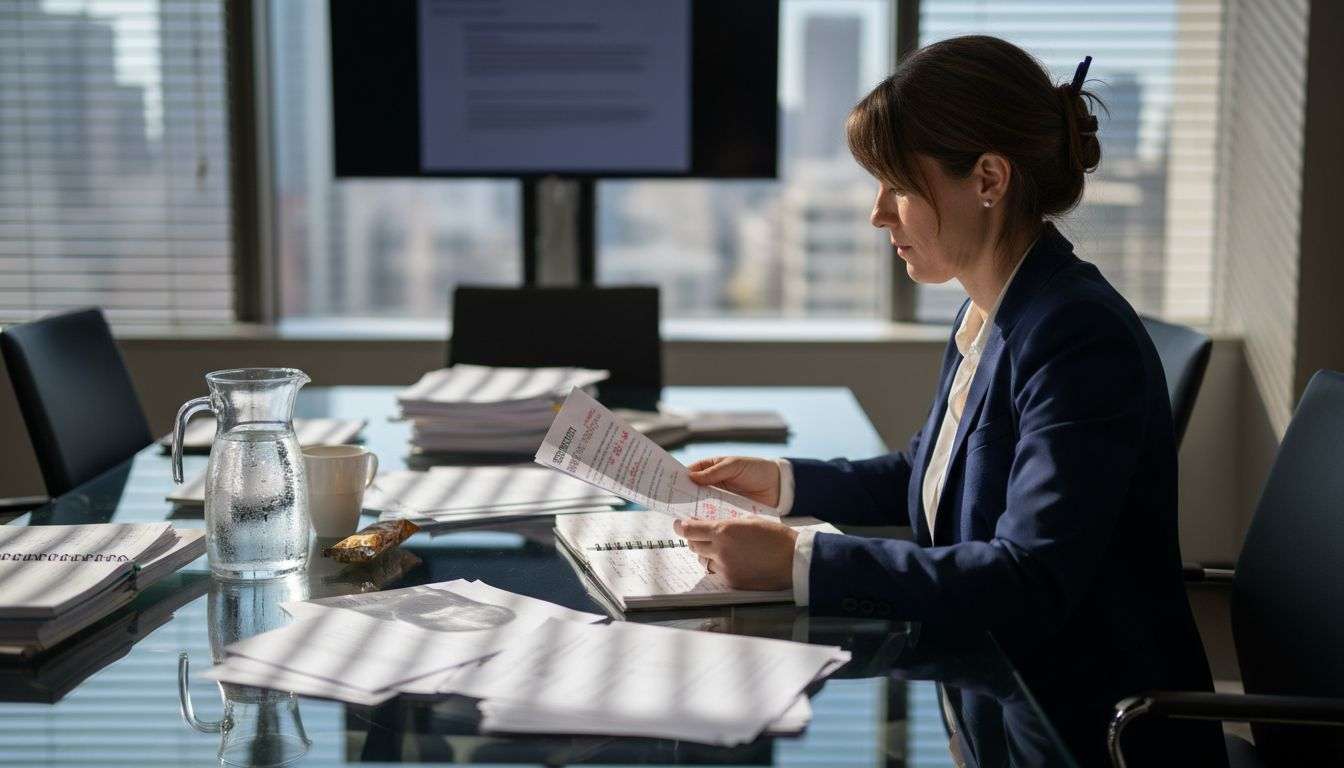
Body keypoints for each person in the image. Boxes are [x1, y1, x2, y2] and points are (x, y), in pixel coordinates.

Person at [675, 36, 1226, 767]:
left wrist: (801, 561)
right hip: (990, 706)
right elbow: (929, 472)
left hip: (1080, 735)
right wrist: (783, 484)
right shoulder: (996, 311)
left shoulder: (1075, 335)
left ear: (989, 179)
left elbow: (1027, 580)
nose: (878, 215)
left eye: (897, 186)